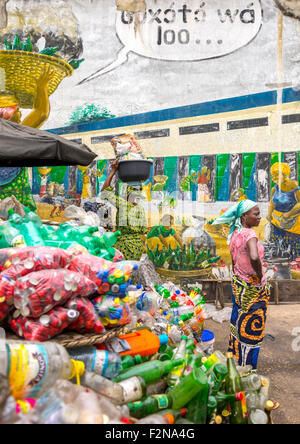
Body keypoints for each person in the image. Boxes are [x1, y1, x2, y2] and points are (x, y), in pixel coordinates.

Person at [213, 200, 271, 369]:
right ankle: (247, 368)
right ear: (244, 216)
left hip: (239, 284)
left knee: (238, 322)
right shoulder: (250, 235)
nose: (259, 217)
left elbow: (234, 258)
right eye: (256, 214)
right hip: (253, 289)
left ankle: (234, 360)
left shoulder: (236, 233)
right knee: (252, 328)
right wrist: (260, 276)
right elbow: (254, 257)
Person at [101, 160, 147, 261]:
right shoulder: (140, 209)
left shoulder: (122, 204)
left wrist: (113, 171)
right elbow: (143, 231)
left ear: (126, 191)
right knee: (131, 271)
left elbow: (104, 192)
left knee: (122, 272)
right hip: (137, 247)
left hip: (124, 247)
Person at [267, 162, 300, 260]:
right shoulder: (275, 189)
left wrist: (289, 213)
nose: (274, 178)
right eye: (273, 175)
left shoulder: (293, 185)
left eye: (277, 175)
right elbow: (272, 203)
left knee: (293, 247)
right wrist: (269, 214)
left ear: (285, 174)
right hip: (277, 221)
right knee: (277, 245)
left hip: (293, 222)